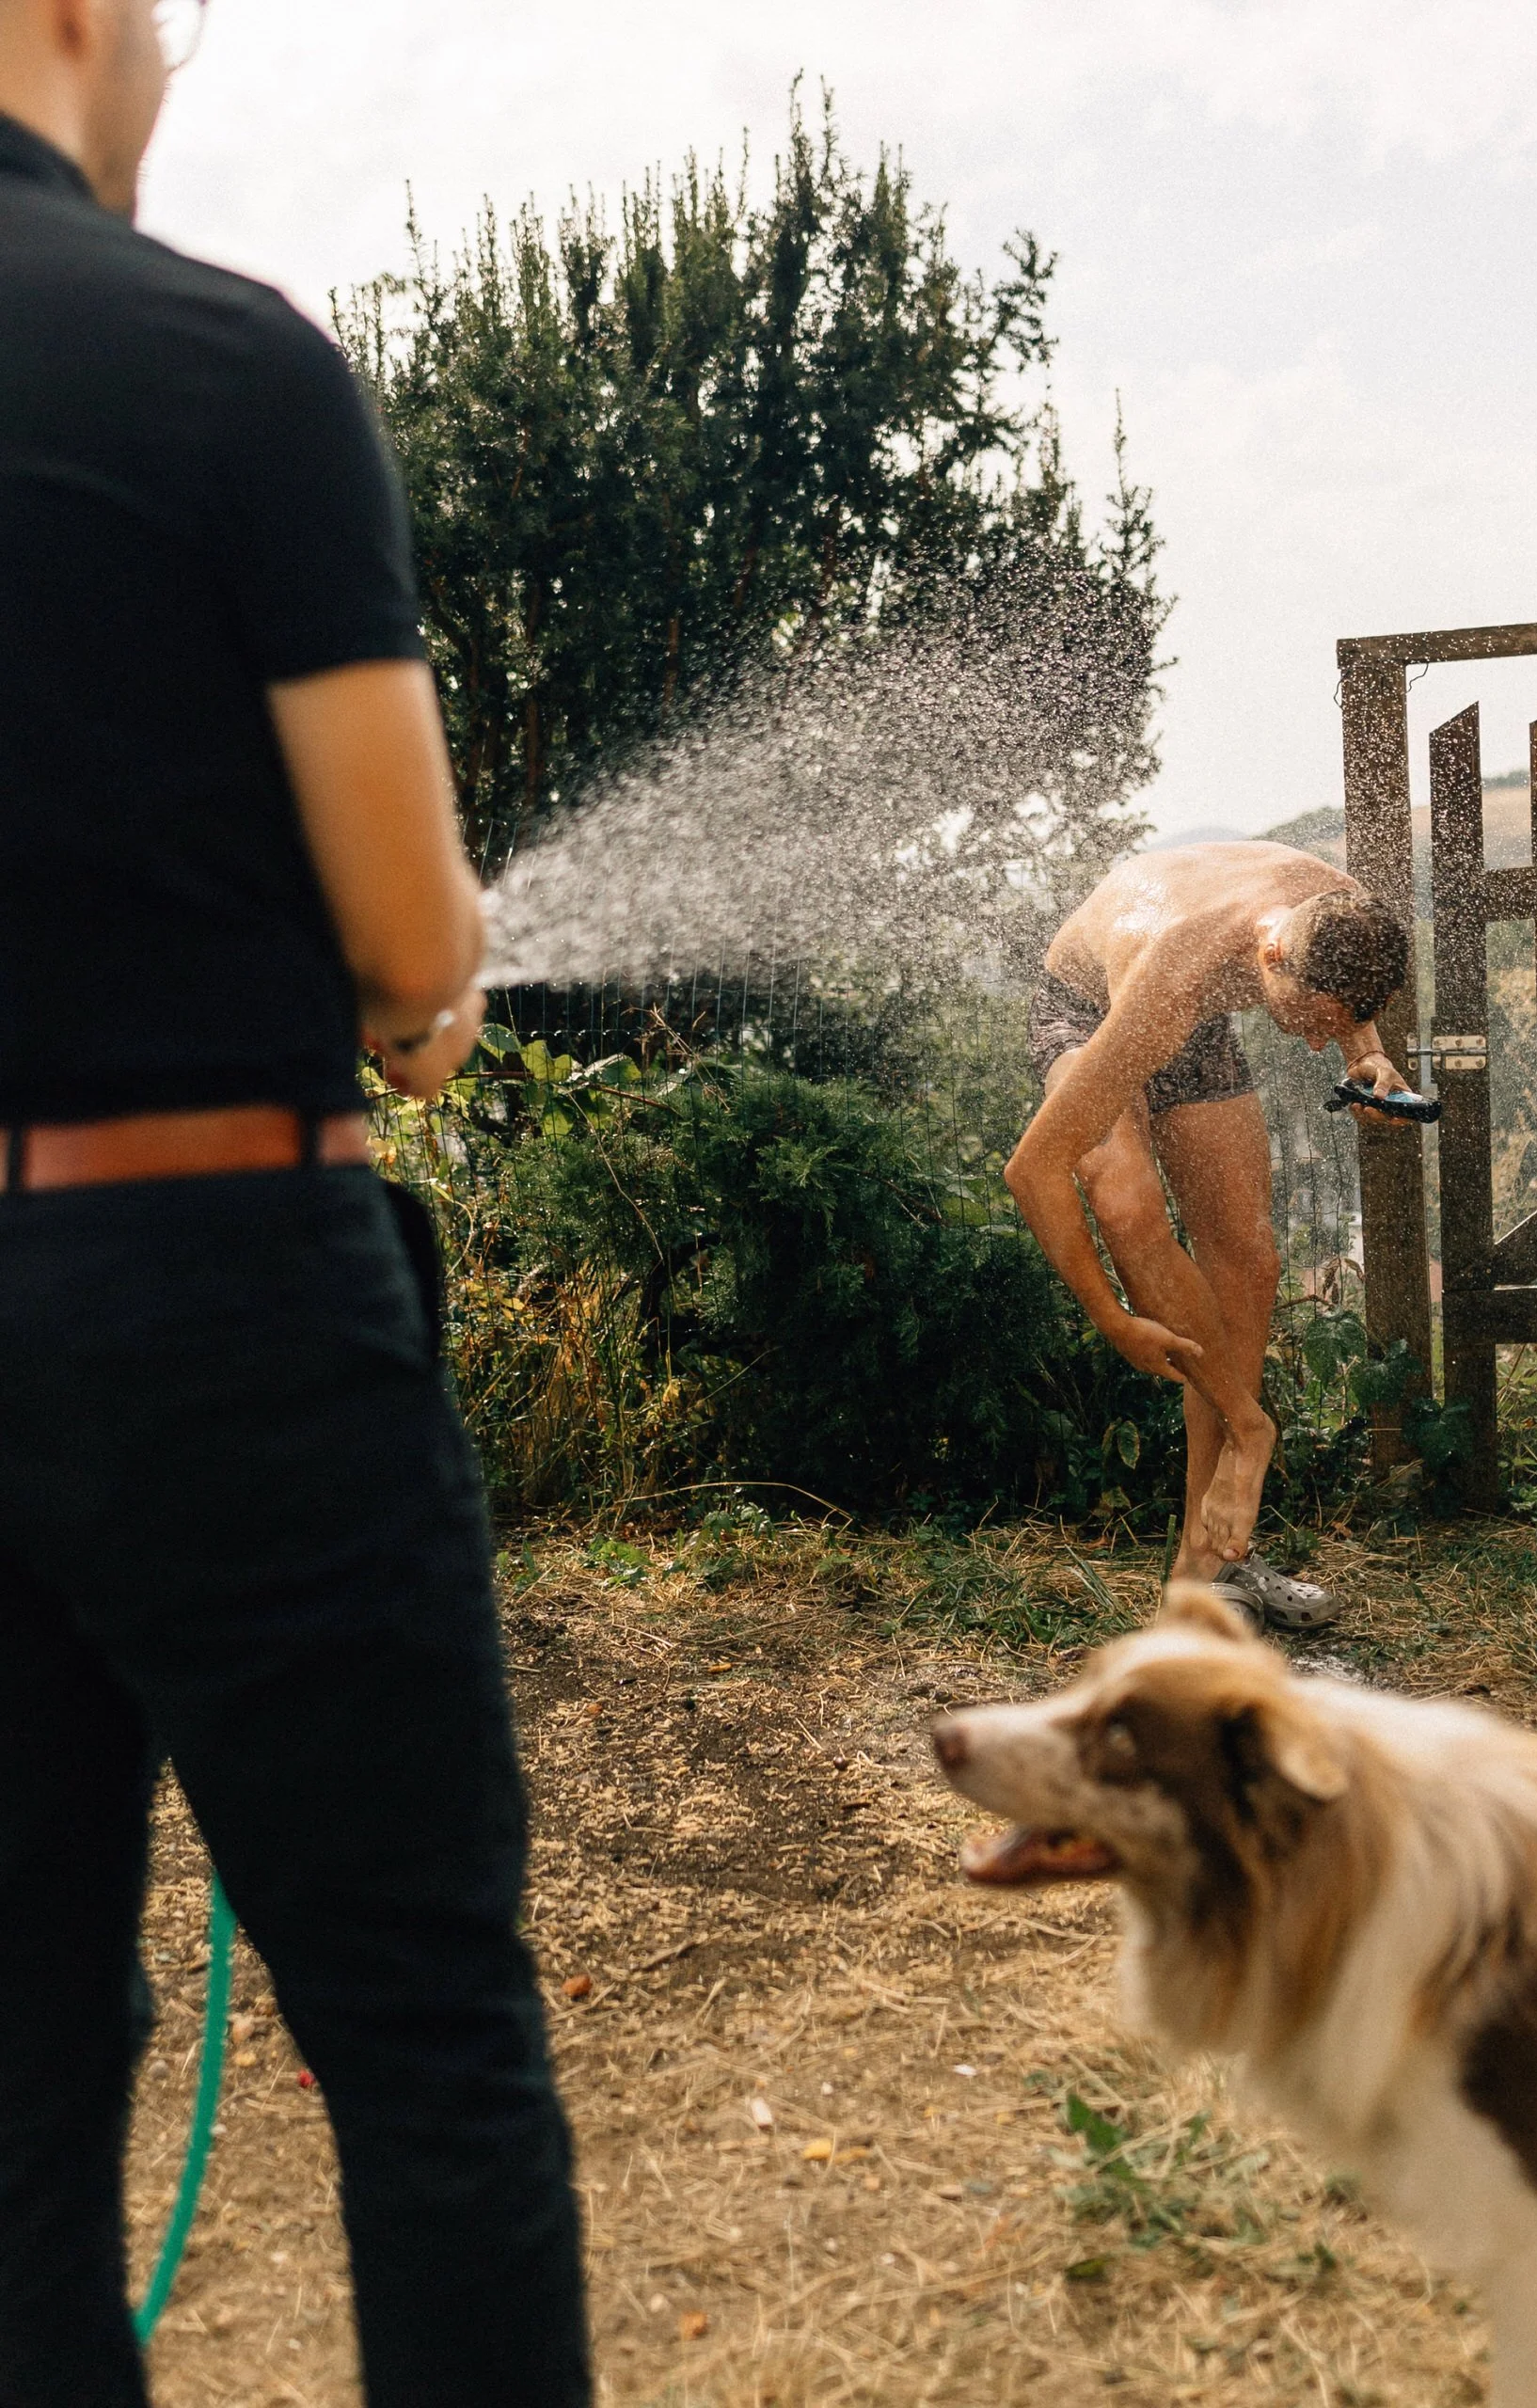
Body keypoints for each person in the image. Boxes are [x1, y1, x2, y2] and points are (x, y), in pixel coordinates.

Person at [0, 4, 589, 2402]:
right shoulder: (217, 367)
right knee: (424, 2023)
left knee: (13, 2084)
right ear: (68, 13)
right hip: (211, 1281)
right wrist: (421, 995)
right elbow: (409, 943)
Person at [1005, 842, 1409, 1629]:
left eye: (1339, 1028)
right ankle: (1251, 1430)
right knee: (1127, 1207)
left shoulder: (1341, 911)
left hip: (1195, 1015)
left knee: (1248, 1255)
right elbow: (1032, 1171)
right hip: (1095, 1011)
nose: (1319, 1043)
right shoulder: (1172, 983)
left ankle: (1209, 1565)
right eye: (1312, 1023)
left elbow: (1349, 1007)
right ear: (1270, 953)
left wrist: (1371, 1055)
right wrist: (1111, 1317)